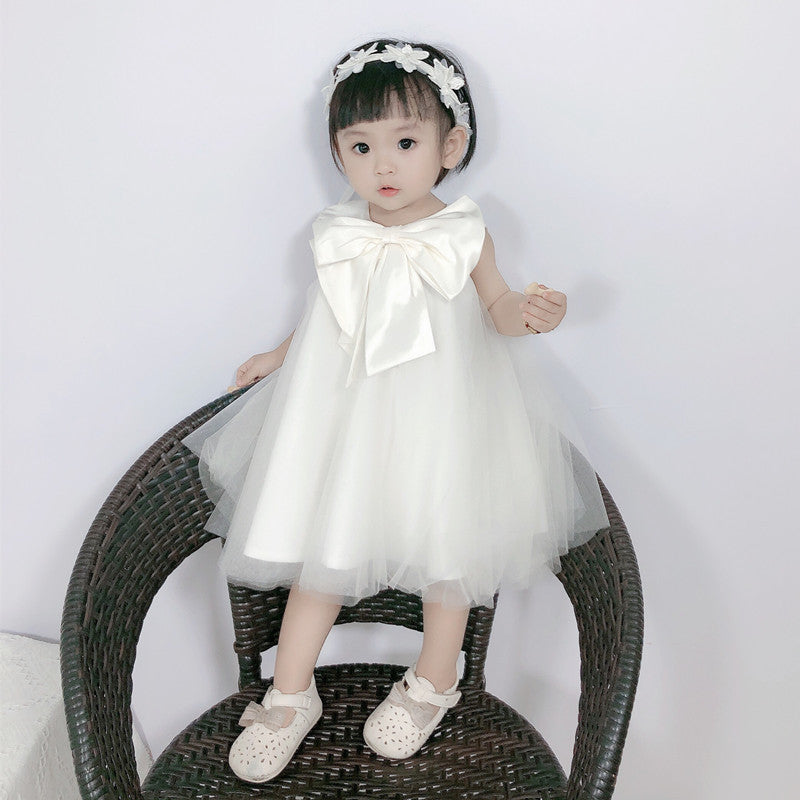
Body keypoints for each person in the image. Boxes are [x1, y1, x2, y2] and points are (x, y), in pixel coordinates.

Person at [182, 38, 609, 784]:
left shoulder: (464, 233)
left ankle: (432, 680)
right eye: (361, 146)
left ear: (451, 146)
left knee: (450, 550)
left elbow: (499, 309)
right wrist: (280, 355)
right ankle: (289, 694)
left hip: (441, 422)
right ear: (337, 153)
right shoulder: (338, 233)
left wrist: (533, 313)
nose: (384, 165)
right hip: (343, 420)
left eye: (405, 143)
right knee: (323, 543)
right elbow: (328, 314)